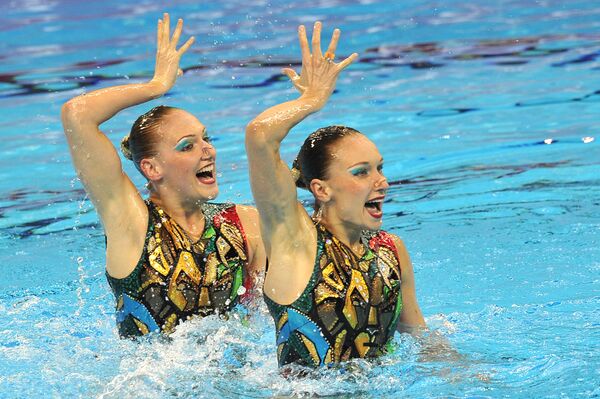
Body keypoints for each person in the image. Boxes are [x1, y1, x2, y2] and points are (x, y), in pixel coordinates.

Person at [61, 14, 265, 337]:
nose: (207, 151)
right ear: (152, 168)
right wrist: (155, 86)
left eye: (206, 139)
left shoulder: (242, 224)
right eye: (187, 146)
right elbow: (77, 115)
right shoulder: (133, 226)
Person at [245, 22, 426, 368]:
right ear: (321, 189)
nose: (382, 182)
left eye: (380, 168)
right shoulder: (295, 240)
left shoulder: (391, 249)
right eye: (361, 172)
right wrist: (310, 101)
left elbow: (419, 335)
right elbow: (259, 135)